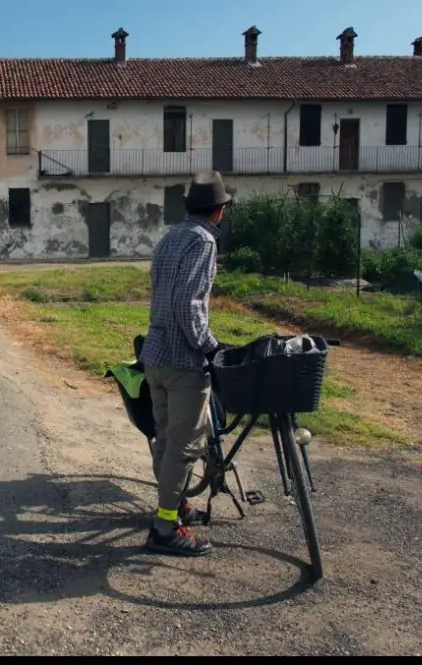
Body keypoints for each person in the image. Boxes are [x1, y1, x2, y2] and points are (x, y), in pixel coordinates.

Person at [139, 170, 232, 556]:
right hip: (183, 360)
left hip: (155, 355)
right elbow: (189, 303)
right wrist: (209, 346)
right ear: (219, 211)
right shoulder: (203, 241)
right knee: (183, 446)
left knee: (165, 440)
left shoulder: (169, 238)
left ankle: (174, 507)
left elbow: (165, 297)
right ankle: (164, 528)